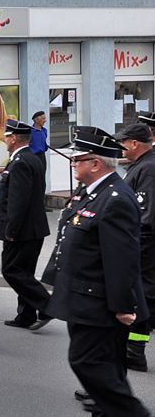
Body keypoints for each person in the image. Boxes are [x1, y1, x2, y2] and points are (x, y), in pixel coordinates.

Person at [43, 127, 151, 417]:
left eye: (78, 159)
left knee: (86, 361)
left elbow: (122, 258)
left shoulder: (115, 198)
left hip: (98, 300)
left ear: (96, 163)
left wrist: (123, 305)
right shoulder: (92, 192)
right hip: (82, 295)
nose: (73, 163)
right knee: (107, 367)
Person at [0, 119, 52, 331]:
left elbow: (18, 201)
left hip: (21, 230)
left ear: (13, 138)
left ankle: (47, 306)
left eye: (6, 136)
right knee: (24, 272)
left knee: (11, 270)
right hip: (34, 228)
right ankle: (26, 315)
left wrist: (11, 230)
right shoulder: (32, 158)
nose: (4, 139)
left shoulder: (19, 162)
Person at [115, 123, 155, 371]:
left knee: (144, 298)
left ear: (134, 144)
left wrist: (132, 251)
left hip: (146, 248)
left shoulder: (149, 169)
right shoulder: (142, 165)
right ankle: (134, 352)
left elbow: (146, 217)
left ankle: (134, 352)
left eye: (123, 142)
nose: (120, 147)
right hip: (142, 246)